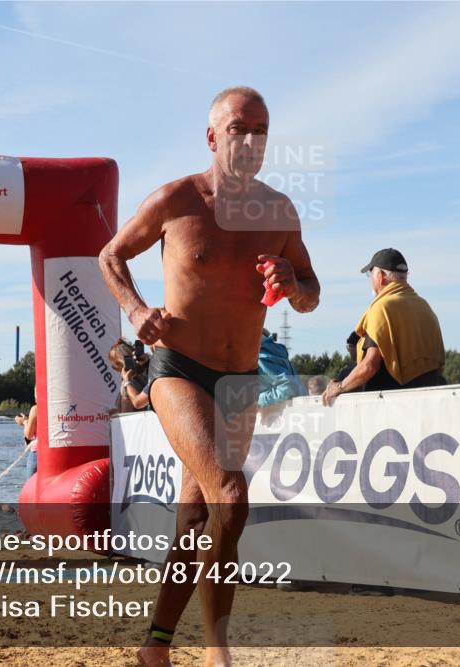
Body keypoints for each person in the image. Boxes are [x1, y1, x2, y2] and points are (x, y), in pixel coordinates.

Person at [98, 86, 320, 667]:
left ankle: (156, 648)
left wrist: (292, 285)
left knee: (198, 519)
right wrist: (136, 311)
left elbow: (311, 293)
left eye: (261, 131)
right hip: (179, 369)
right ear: (212, 136)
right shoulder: (176, 200)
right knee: (231, 496)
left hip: (240, 381)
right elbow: (111, 256)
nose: (251, 141)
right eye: (239, 128)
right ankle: (219, 655)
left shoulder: (280, 213)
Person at [322, 248, 445, 407]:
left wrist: (339, 387)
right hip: (427, 399)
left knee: (347, 373)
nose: (370, 280)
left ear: (380, 276)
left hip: (389, 404)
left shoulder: (383, 307)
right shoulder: (424, 306)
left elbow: (369, 366)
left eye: (370, 274)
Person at [256, 330, 306, 408]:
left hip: (283, 412)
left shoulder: (261, 357)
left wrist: (256, 401)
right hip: (299, 407)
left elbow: (287, 388)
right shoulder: (273, 352)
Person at [109, 339, 151, 412]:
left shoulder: (128, 384)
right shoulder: (152, 370)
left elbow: (127, 414)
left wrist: (126, 382)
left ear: (119, 364)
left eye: (114, 367)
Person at [15, 395, 39, 477]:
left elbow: (29, 435)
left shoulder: (36, 409)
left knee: (32, 482)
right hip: (55, 450)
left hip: (38, 452)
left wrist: (25, 422)